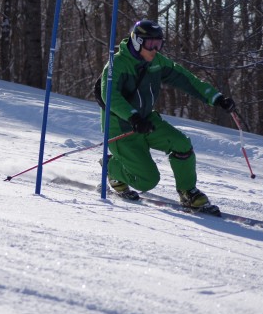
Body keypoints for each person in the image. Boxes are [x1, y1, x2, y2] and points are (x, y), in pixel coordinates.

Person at [99, 19, 236, 207]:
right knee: (147, 181)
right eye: (150, 44)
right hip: (122, 129)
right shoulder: (118, 64)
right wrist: (133, 116)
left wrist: (216, 98)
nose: (155, 49)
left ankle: (188, 192)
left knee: (181, 144)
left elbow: (186, 79)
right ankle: (112, 167)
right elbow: (110, 96)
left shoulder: (156, 61)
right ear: (137, 41)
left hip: (146, 122)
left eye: (159, 44)